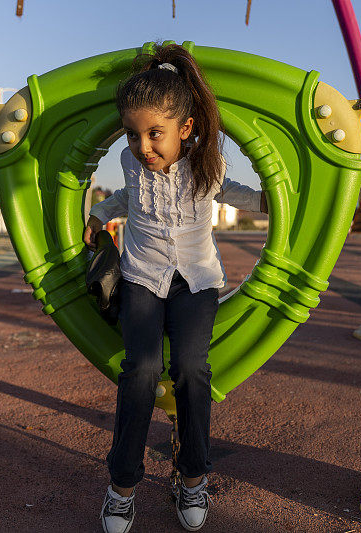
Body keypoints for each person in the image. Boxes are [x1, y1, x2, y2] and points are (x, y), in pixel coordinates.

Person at [84, 43, 267, 533]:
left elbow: (241, 196)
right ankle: (122, 486)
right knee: (140, 369)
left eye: (155, 134)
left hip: (196, 281)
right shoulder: (129, 162)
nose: (144, 146)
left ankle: (192, 477)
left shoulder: (204, 167)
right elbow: (126, 197)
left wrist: (276, 200)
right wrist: (101, 213)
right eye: (133, 133)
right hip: (143, 276)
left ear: (184, 129)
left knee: (190, 367)